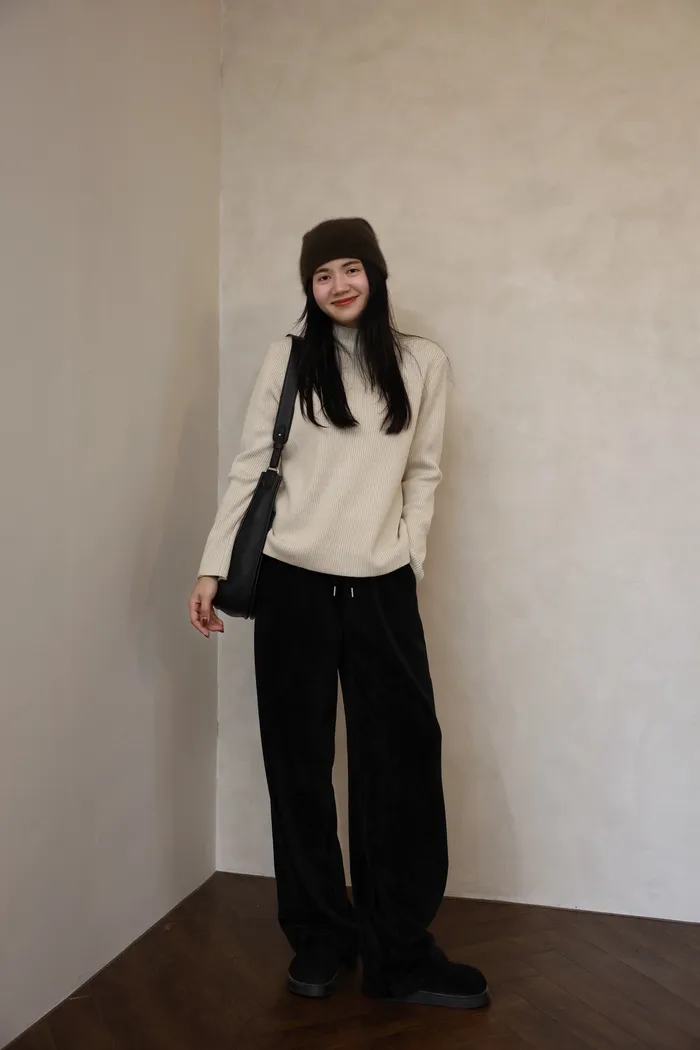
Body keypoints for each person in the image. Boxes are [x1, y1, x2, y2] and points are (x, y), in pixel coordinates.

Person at [188, 218, 489, 1010]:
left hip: (380, 588)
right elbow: (250, 467)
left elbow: (423, 472)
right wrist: (213, 565)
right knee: (298, 768)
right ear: (310, 288)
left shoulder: (423, 363)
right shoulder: (289, 358)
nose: (337, 285)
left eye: (350, 268)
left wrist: (406, 554)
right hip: (292, 584)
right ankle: (322, 936)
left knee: (401, 765)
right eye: (321, 275)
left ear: (375, 273)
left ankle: (401, 950)